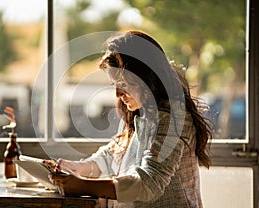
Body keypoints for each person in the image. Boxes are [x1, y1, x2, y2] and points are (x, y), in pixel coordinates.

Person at [46, 30, 213, 208]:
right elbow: (116, 154)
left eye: (124, 84)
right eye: (115, 84)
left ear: (148, 79)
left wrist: (83, 185)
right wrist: (79, 168)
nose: (118, 94)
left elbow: (150, 183)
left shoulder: (175, 119)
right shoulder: (140, 111)